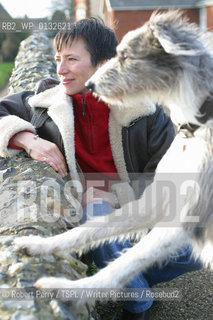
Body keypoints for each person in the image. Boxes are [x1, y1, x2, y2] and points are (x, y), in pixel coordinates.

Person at [0, 18, 201, 320]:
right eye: (58, 60)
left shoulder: (148, 111)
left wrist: (116, 195)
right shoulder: (45, 102)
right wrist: (28, 140)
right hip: (87, 219)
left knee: (196, 241)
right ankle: (138, 305)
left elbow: (169, 180)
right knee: (96, 212)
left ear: (104, 63)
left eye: (71, 59)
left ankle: (131, 285)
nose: (60, 70)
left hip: (139, 217)